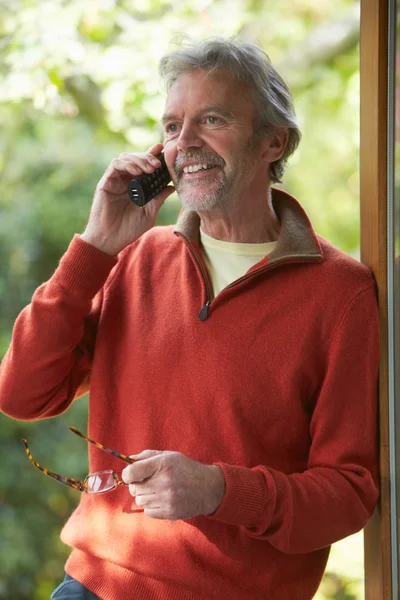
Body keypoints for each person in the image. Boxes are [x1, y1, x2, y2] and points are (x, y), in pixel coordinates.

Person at [0, 37, 379, 600]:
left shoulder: (341, 294)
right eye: (172, 127)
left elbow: (348, 494)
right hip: (96, 588)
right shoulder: (132, 258)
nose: (185, 143)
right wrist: (95, 247)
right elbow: (22, 394)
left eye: (212, 119)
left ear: (273, 141)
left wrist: (219, 490)